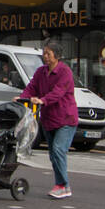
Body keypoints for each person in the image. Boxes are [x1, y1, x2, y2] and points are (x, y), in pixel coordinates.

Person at [18, 40, 79, 199]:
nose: (45, 56)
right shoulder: (41, 72)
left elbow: (58, 92)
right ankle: (61, 184)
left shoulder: (65, 72)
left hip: (66, 118)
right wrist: (22, 98)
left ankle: (63, 185)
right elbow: (32, 87)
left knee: (59, 150)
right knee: (53, 154)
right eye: (44, 53)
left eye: (48, 54)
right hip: (48, 119)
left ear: (57, 56)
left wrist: (42, 100)